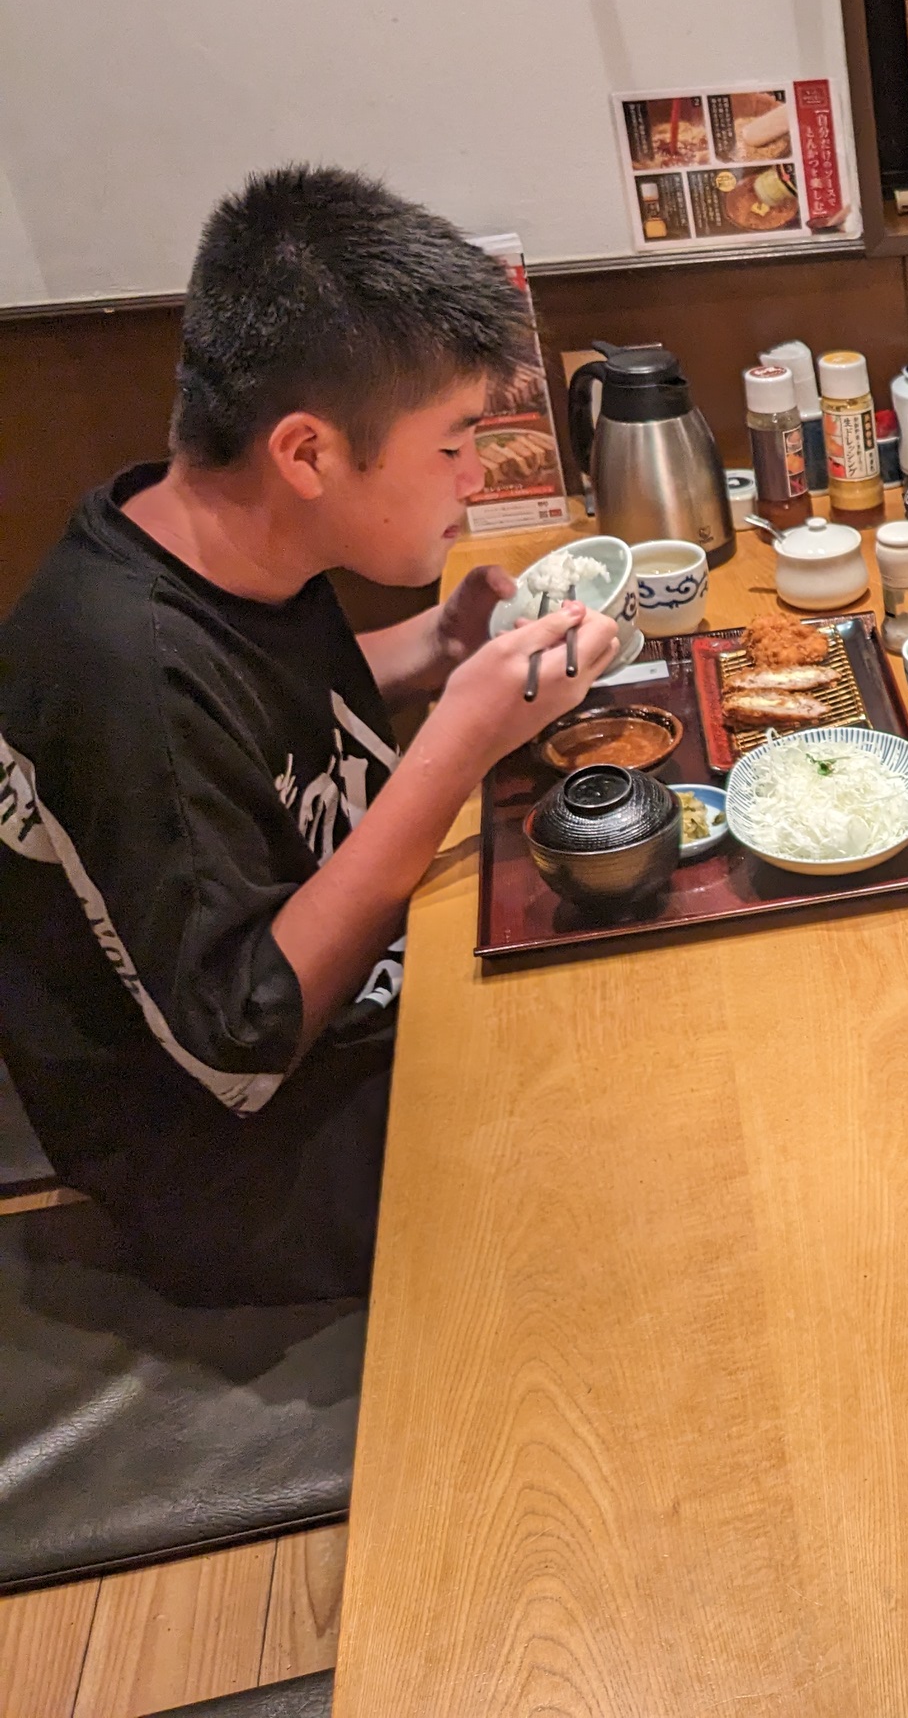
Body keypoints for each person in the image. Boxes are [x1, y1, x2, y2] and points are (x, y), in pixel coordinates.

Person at [0, 166, 619, 1305]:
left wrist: (437, 645)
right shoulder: (118, 670)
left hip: (353, 1019)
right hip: (238, 1165)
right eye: (453, 444)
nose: (476, 477)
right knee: (612, 1147)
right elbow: (243, 1037)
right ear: (308, 452)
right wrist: (458, 742)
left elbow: (256, 718)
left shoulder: (210, 536)